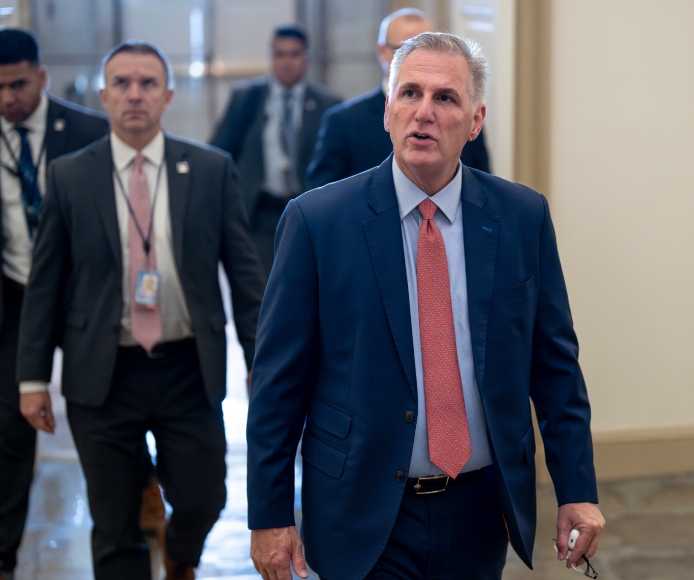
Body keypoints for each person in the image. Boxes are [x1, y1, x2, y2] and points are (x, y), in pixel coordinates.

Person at [247, 32, 603, 580]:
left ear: (475, 119)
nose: (424, 113)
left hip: (480, 509)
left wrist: (576, 489)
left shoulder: (521, 217)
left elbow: (555, 367)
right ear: (387, 111)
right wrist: (269, 514)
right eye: (409, 93)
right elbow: (278, 382)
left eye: (446, 98)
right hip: (360, 508)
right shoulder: (317, 222)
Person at [15, 40, 266, 580]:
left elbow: (245, 279)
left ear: (168, 95)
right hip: (103, 372)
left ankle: (179, 553)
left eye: (148, 84)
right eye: (122, 84)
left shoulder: (210, 170)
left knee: (204, 499)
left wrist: (261, 360)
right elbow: (44, 285)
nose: (135, 95)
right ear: (104, 96)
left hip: (186, 367)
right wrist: (32, 377)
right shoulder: (69, 176)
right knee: (114, 523)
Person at [0, 28, 114, 580]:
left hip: (83, 298)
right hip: (10, 300)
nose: (7, 98)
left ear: (41, 76)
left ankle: (138, 499)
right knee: (10, 432)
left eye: (16, 84)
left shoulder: (86, 132)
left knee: (106, 415)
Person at [304, 8, 492, 192]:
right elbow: (324, 200)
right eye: (405, 47)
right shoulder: (344, 121)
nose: (423, 113)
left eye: (444, 98)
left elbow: (482, 188)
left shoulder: (464, 116)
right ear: (381, 51)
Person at [209, 23, 342, 275]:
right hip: (260, 212)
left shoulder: (328, 104)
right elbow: (219, 152)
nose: (287, 62)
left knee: (305, 280)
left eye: (294, 54)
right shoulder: (247, 99)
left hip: (307, 210)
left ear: (306, 58)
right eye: (280, 54)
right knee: (261, 287)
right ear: (271, 57)